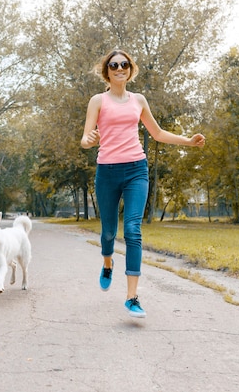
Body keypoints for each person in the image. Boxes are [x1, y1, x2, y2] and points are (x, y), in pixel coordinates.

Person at [80, 50, 205, 318]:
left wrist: (188, 141)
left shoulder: (139, 100)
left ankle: (132, 297)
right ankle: (107, 262)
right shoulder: (97, 101)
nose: (119, 68)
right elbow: (85, 138)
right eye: (114, 65)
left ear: (130, 69)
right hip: (107, 172)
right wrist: (90, 140)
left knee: (133, 230)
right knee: (108, 233)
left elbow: (157, 133)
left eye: (124, 64)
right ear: (107, 71)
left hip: (137, 169)